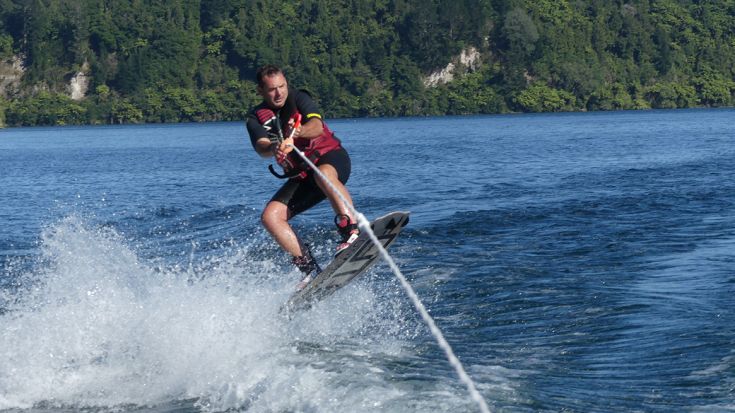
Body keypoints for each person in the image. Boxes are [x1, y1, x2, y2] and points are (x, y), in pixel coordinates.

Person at [245, 64, 359, 290]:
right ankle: (309, 269)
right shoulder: (255, 118)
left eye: (282, 86)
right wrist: (274, 147)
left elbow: (316, 126)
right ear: (260, 91)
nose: (279, 93)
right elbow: (261, 146)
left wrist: (298, 132)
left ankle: (351, 231)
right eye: (272, 90)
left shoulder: (299, 98)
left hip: (331, 160)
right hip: (304, 175)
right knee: (271, 216)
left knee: (323, 174)